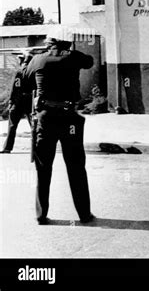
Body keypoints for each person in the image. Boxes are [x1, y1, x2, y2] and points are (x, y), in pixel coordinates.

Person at [25, 34, 96, 225]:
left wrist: (30, 60)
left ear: (49, 44)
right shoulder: (74, 57)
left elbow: (25, 81)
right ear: (67, 43)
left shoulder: (38, 59)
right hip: (69, 118)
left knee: (43, 167)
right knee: (76, 167)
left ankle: (41, 215)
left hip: (46, 118)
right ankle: (84, 214)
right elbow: (90, 62)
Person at [1, 51, 33, 154]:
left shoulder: (19, 72)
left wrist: (11, 101)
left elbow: (14, 88)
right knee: (34, 126)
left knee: (12, 125)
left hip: (18, 101)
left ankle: (7, 148)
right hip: (30, 101)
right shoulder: (34, 72)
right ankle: (37, 148)